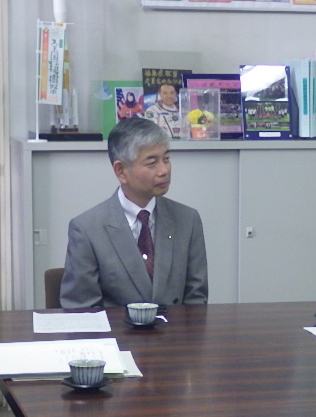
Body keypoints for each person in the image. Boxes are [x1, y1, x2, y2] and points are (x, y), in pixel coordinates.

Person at [60, 116, 209, 308]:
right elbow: (81, 310)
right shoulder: (87, 229)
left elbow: (196, 301)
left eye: (166, 159)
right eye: (152, 162)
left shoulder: (188, 220)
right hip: (116, 335)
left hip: (175, 335)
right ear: (121, 171)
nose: (164, 170)